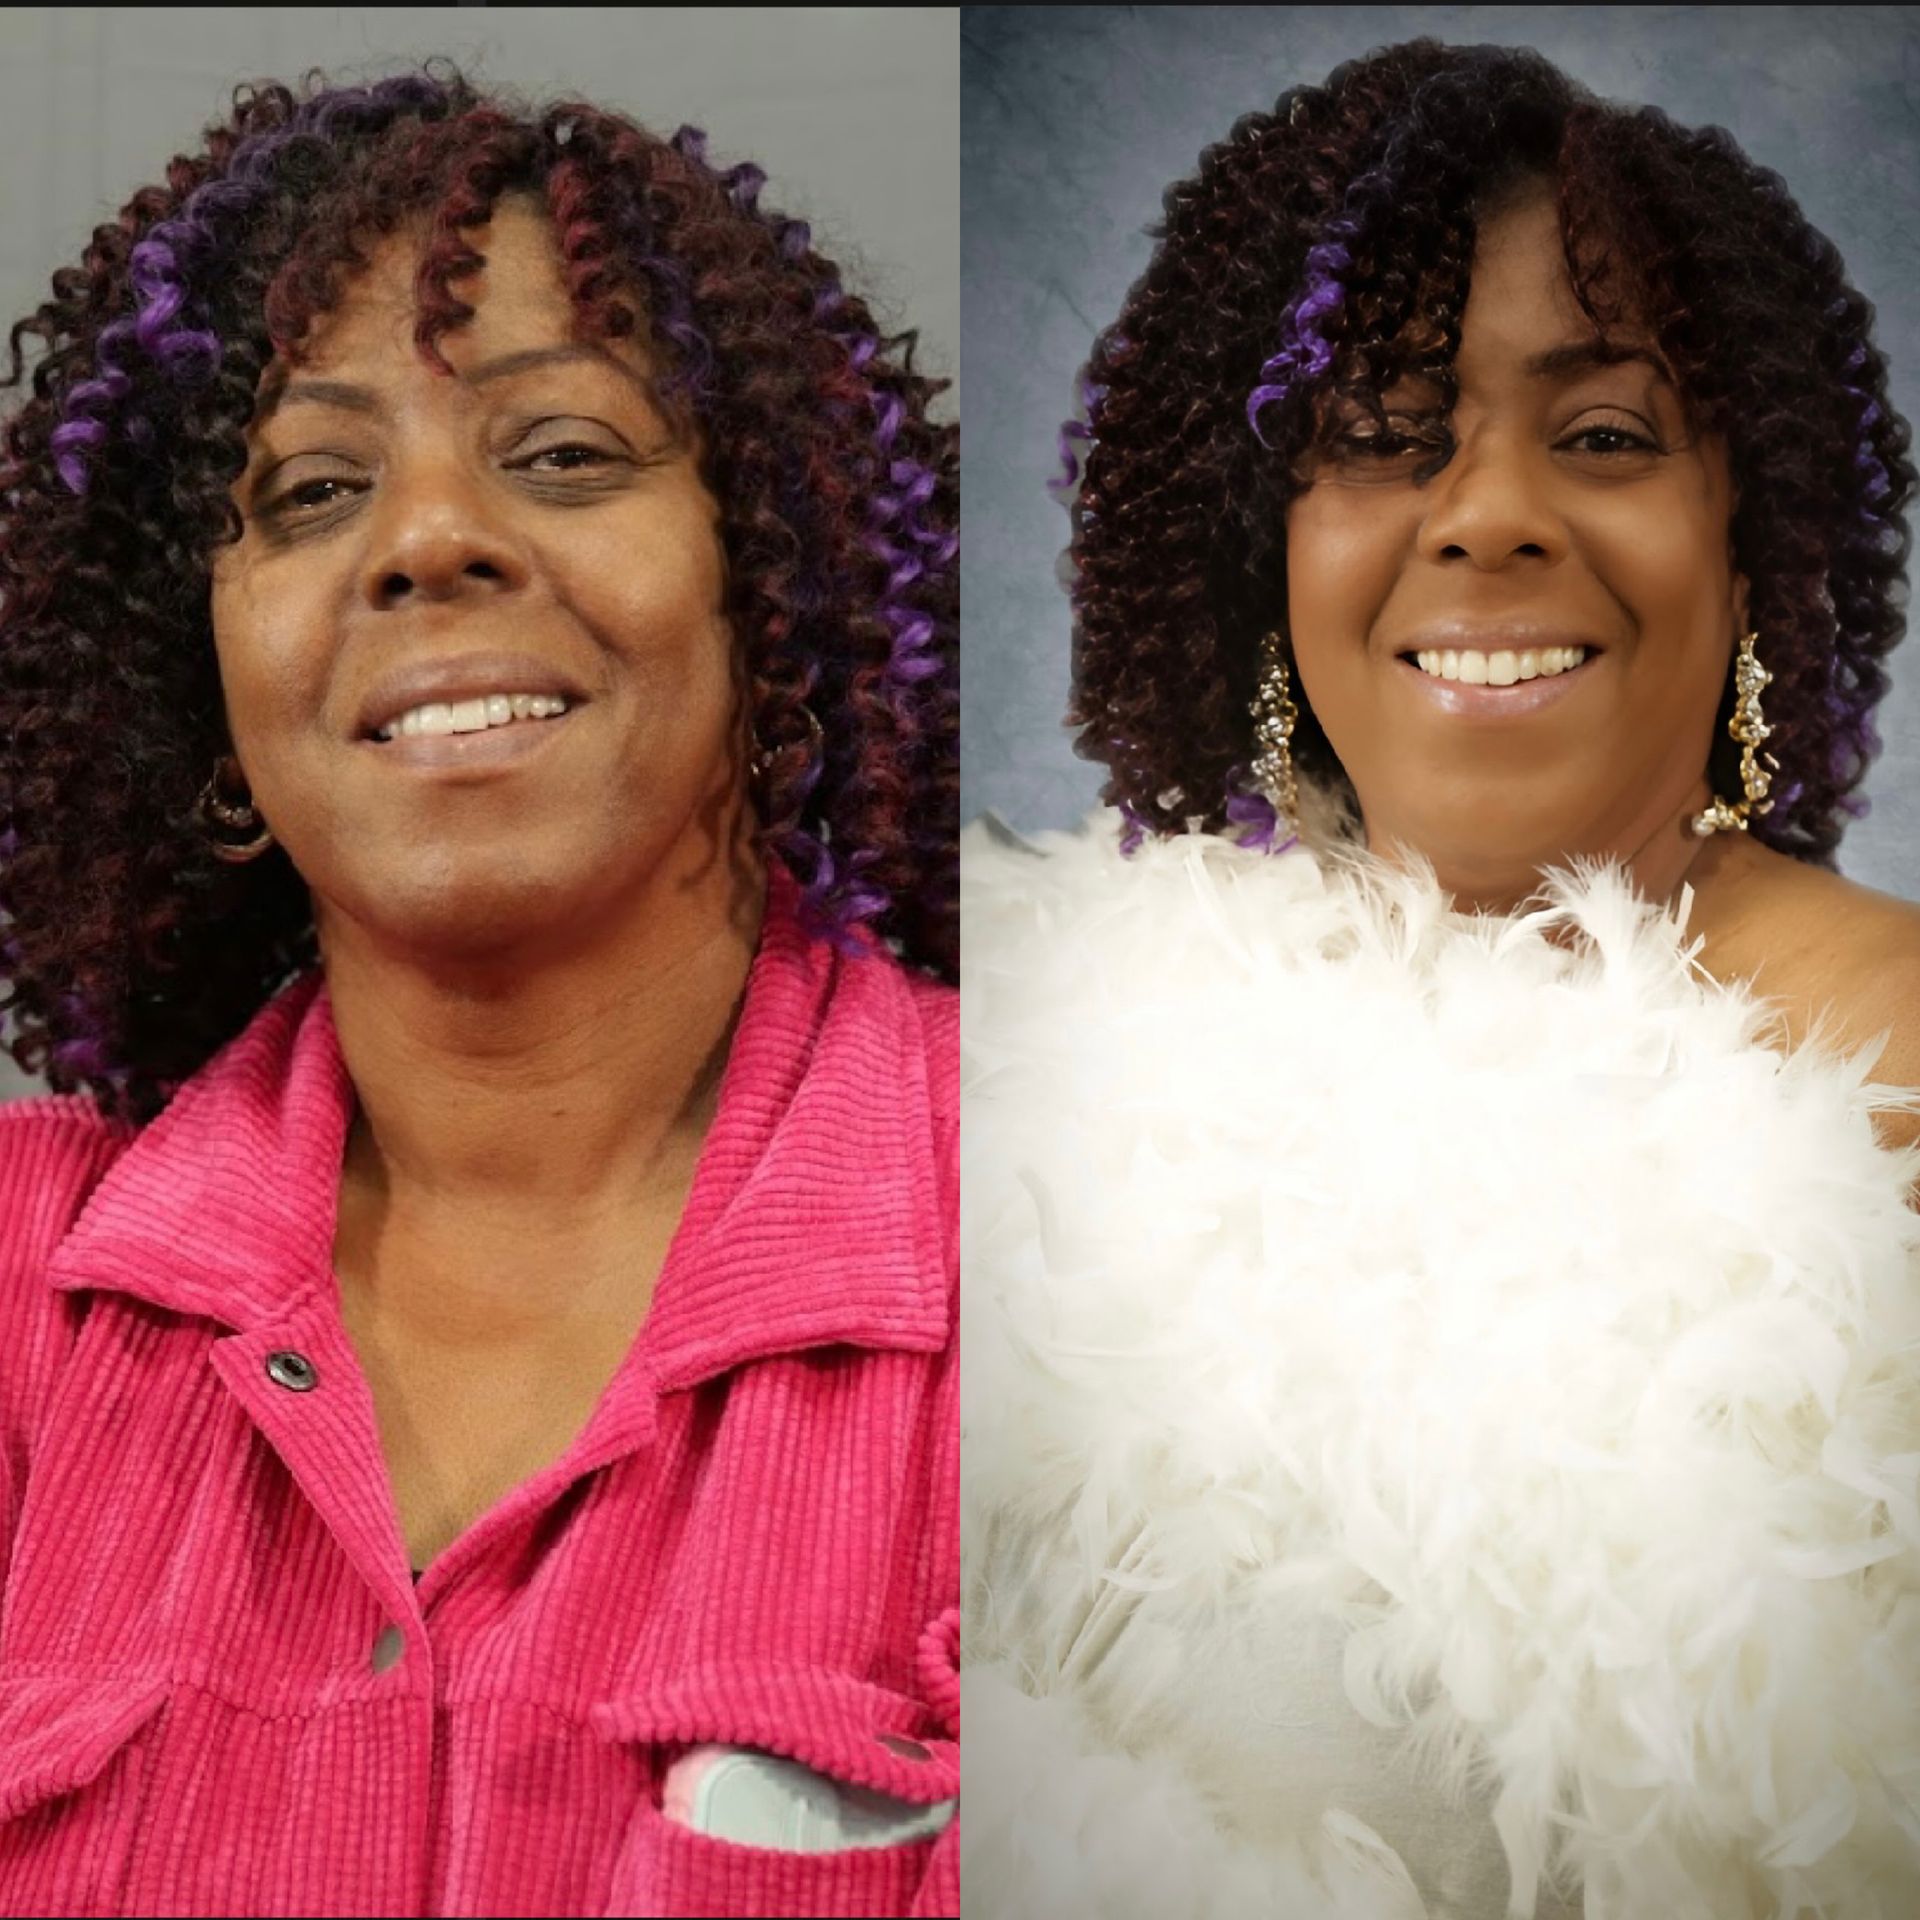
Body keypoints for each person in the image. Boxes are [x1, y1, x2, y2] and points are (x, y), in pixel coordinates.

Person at [962, 38, 1920, 1920]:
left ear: (1753, 545)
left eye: (1608, 434)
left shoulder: (1900, 1068)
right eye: (1386, 434)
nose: (1486, 513)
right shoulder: (1030, 1014)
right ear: (1272, 550)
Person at [0, 64, 958, 1919]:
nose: (428, 538)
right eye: (314, 489)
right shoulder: (26, 1302)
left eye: (565, 454)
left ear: (772, 585)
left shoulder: (1102, 1226)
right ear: (207, 677)